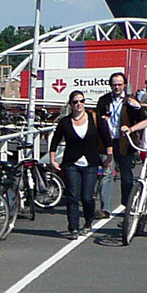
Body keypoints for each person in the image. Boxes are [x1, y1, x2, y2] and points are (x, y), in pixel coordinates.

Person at [47, 90, 101, 235]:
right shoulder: (65, 122)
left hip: (90, 162)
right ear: (71, 104)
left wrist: (109, 155)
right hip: (71, 163)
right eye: (75, 102)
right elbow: (55, 141)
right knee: (73, 196)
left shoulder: (93, 118)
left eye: (81, 101)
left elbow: (105, 136)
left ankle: (89, 220)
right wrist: (52, 159)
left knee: (87, 197)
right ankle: (73, 227)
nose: (79, 104)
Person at [97, 71, 147, 209]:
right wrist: (103, 119)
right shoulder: (104, 100)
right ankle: (106, 208)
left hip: (125, 142)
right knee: (107, 174)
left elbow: (142, 120)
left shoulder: (130, 101)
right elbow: (98, 118)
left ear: (124, 85)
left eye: (119, 84)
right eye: (114, 85)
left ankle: (127, 203)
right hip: (108, 141)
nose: (116, 87)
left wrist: (138, 108)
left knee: (126, 175)